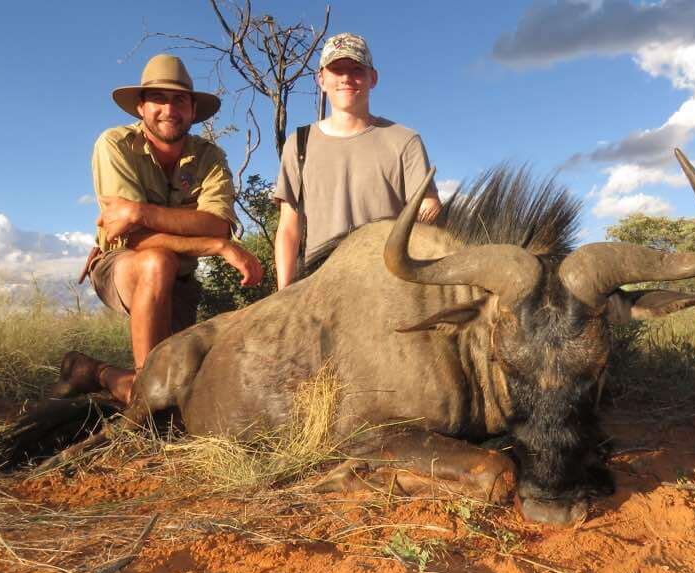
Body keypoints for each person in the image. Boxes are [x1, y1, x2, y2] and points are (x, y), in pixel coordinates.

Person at [55, 54, 262, 405]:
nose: (169, 109)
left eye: (179, 99)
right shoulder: (115, 144)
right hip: (121, 264)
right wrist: (217, 246)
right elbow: (132, 238)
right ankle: (147, 403)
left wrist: (139, 211)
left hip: (180, 280)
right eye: (158, 99)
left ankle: (95, 372)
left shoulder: (210, 157)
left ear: (193, 110)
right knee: (156, 261)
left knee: (188, 381)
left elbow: (217, 223)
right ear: (140, 107)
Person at [272, 32, 442, 289]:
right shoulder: (299, 143)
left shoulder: (405, 140)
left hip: (387, 288)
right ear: (321, 79)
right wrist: (284, 296)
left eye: (356, 69)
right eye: (336, 69)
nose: (346, 78)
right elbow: (288, 228)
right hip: (317, 288)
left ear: (372, 78)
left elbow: (428, 212)